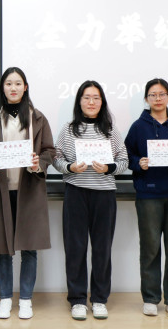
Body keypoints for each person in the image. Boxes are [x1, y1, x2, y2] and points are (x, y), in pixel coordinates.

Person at [0, 67, 55, 320]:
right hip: (2, 190)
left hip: (29, 191)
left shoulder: (38, 118)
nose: (13, 88)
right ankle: (4, 298)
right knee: (3, 248)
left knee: (29, 247)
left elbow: (49, 151)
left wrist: (39, 163)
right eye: (8, 83)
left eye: (18, 83)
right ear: (3, 88)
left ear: (25, 87)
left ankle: (25, 299)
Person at [52, 80, 128, 320]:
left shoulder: (110, 130)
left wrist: (108, 168)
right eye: (87, 97)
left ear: (102, 102)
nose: (91, 102)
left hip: (104, 194)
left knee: (102, 248)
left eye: (96, 98)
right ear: (79, 101)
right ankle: (77, 300)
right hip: (76, 192)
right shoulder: (68, 129)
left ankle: (99, 299)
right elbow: (56, 158)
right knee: (75, 248)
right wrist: (69, 167)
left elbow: (124, 161)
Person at [124, 78, 168, 320]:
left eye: (162, 94)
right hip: (148, 194)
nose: (157, 98)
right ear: (146, 99)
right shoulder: (138, 127)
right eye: (152, 94)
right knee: (150, 248)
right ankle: (150, 298)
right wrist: (139, 163)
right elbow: (127, 155)